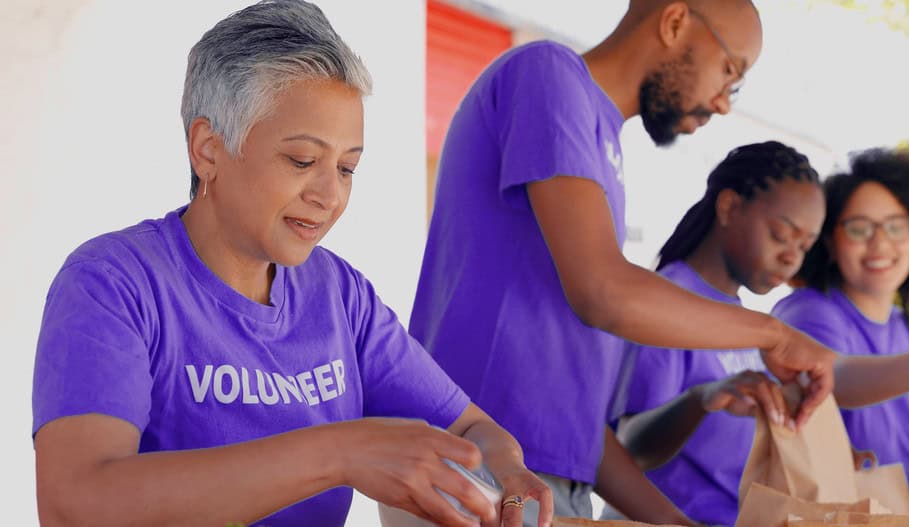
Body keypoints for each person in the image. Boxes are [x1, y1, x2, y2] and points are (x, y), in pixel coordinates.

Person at [31, 2, 552, 526]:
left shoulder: (339, 296)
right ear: (208, 149)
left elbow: (470, 429)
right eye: (302, 161)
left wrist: (504, 471)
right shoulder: (113, 283)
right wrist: (338, 453)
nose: (330, 195)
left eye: (347, 167)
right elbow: (76, 501)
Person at [409, 1, 839, 524]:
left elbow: (583, 434)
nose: (725, 103)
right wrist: (773, 334)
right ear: (676, 21)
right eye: (731, 71)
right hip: (477, 467)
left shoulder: (603, 144)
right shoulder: (548, 74)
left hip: (546, 485)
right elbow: (603, 292)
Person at [603, 143, 909, 525]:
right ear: (728, 207)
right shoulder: (672, 305)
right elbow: (625, 447)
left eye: (803, 244)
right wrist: (702, 398)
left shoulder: (743, 321)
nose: (792, 256)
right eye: (780, 234)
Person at [772, 147, 909, 513]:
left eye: (896, 227)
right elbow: (832, 379)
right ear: (829, 242)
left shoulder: (908, 331)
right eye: (859, 228)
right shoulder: (807, 313)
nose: (879, 243)